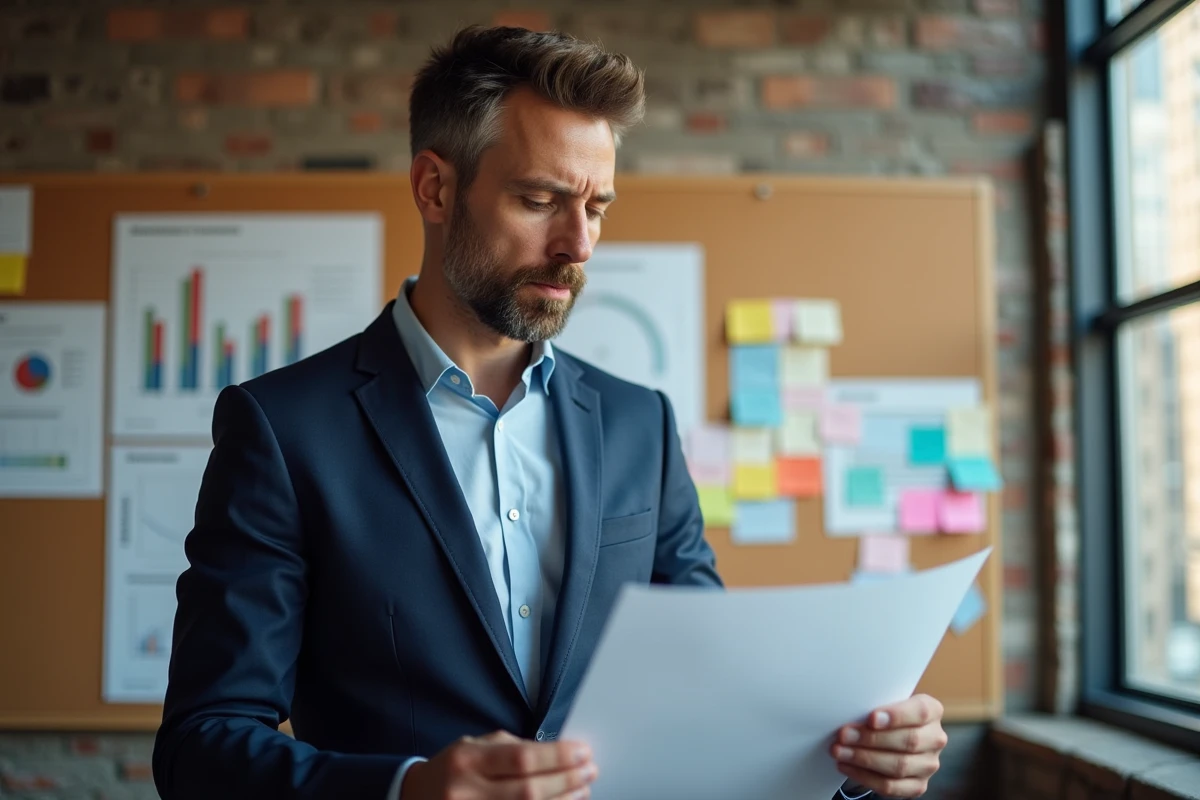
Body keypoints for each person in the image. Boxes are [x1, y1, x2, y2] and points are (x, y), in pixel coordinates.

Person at [152, 25, 949, 800]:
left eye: (597, 206)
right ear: (435, 188)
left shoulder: (641, 427)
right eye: (541, 199)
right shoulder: (284, 430)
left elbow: (713, 705)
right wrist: (407, 789)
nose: (580, 244)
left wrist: (851, 763)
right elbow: (203, 745)